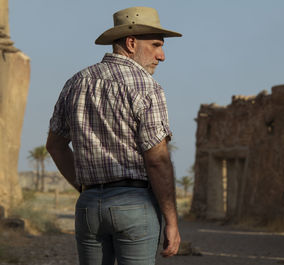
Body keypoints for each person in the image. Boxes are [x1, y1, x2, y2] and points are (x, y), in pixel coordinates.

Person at [46, 6, 182, 265]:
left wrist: (87, 188)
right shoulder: (147, 87)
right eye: (155, 45)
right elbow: (157, 160)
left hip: (88, 207)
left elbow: (55, 146)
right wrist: (172, 221)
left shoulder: (76, 82)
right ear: (131, 43)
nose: (161, 56)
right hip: (134, 203)